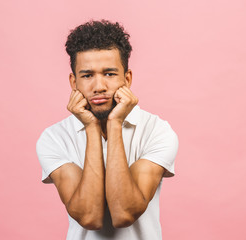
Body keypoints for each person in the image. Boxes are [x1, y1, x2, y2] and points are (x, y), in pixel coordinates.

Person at [36, 20, 178, 240]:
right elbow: (90, 217)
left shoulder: (157, 131)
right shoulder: (54, 138)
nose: (99, 86)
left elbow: (123, 214)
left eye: (110, 74)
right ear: (73, 82)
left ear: (127, 79)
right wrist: (91, 127)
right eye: (87, 75)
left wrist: (114, 124)